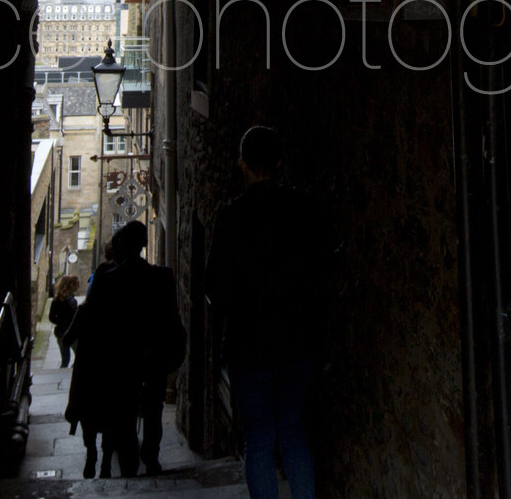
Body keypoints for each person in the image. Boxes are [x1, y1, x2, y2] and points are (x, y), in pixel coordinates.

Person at [206, 125, 323, 499]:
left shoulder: (230, 218)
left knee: (258, 439)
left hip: (248, 346)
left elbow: (214, 287)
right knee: (292, 429)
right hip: (297, 341)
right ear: (280, 162)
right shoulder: (303, 210)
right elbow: (319, 271)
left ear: (243, 164)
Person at [66, 221, 186, 478]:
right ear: (144, 244)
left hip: (120, 359)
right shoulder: (162, 277)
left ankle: (129, 465)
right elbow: (170, 318)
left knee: (124, 410)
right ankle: (151, 459)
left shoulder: (106, 278)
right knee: (153, 409)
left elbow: (93, 320)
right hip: (153, 356)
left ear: (121, 245)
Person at [48, 274, 80, 369]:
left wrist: (60, 322)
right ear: (72, 286)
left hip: (60, 333)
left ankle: (62, 372)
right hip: (71, 334)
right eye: (77, 285)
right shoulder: (72, 301)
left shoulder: (56, 300)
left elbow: (51, 317)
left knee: (65, 360)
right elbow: (74, 319)